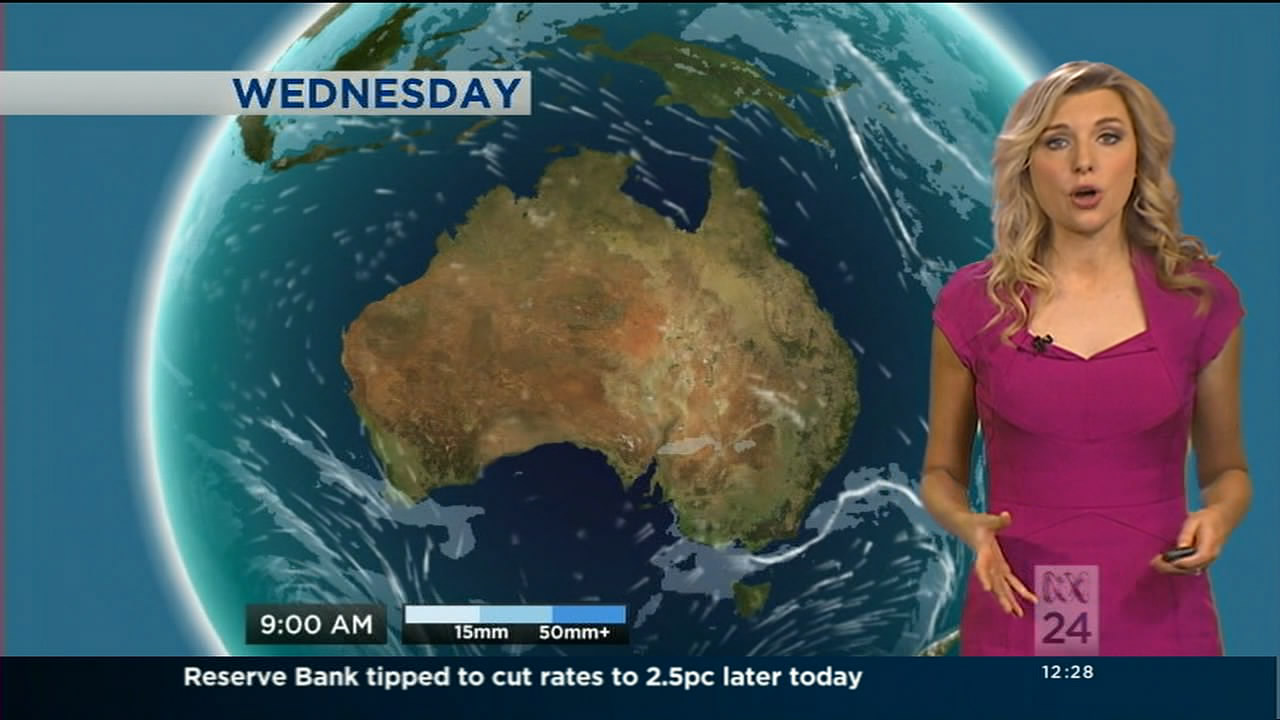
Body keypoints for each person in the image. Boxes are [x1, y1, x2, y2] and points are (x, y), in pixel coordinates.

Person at [922, 60, 1252, 656]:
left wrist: (1219, 517)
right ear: (1028, 164)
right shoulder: (973, 304)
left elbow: (1228, 471)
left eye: (1108, 137)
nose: (1084, 162)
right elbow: (940, 473)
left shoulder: (1201, 299)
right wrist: (969, 525)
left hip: (1161, 612)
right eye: (1057, 142)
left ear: (1138, 158)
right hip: (1024, 601)